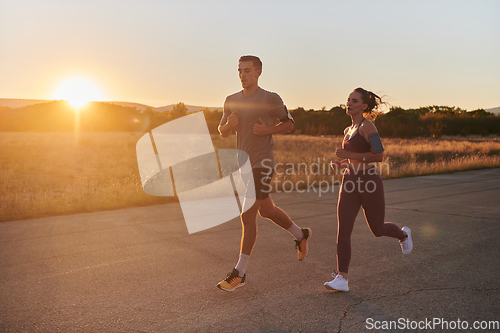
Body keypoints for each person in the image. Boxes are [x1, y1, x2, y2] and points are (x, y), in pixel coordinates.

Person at [217, 55, 312, 292]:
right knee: (266, 210)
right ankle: (301, 235)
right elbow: (223, 132)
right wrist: (229, 124)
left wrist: (269, 129)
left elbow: (289, 124)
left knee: (247, 216)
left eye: (247, 70)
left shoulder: (270, 98)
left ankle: (240, 273)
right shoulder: (230, 100)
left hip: (263, 163)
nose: (242, 75)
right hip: (244, 165)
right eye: (239, 70)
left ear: (258, 72)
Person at [325, 87, 413, 292]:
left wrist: (348, 154)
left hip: (369, 182)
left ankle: (403, 235)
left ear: (364, 106)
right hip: (349, 181)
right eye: (348, 100)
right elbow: (354, 158)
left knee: (377, 229)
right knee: (343, 230)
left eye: (354, 101)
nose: (349, 103)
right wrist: (343, 163)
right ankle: (342, 278)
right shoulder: (347, 131)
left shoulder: (368, 126)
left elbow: (379, 156)